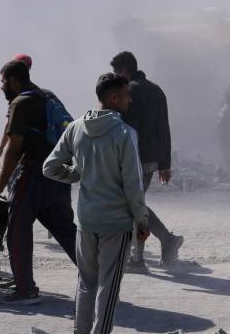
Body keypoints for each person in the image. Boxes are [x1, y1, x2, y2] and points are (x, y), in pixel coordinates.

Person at [43, 73, 150, 334]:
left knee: (86, 282)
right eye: (126, 94)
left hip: (86, 221)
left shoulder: (76, 128)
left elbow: (50, 167)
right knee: (108, 287)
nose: (129, 99)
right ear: (114, 97)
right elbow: (133, 184)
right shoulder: (125, 133)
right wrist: (142, 221)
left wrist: (77, 174)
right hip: (116, 223)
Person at [0, 60, 77, 305]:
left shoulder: (21, 103)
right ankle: (100, 277)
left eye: (3, 81)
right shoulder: (47, 96)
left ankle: (25, 289)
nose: (1, 86)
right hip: (59, 175)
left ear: (15, 81)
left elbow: (15, 148)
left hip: (33, 174)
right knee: (66, 229)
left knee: (17, 230)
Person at [110, 51, 183, 272]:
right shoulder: (156, 89)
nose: (115, 77)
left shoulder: (128, 91)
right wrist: (164, 162)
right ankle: (162, 244)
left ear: (124, 70)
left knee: (134, 205)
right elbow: (164, 128)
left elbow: (123, 128)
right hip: (151, 159)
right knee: (136, 204)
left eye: (116, 72)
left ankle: (140, 257)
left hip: (134, 157)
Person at [0, 54, 33, 169]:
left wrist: (0, 151)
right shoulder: (38, 93)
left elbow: (9, 125)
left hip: (25, 157)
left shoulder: (18, 98)